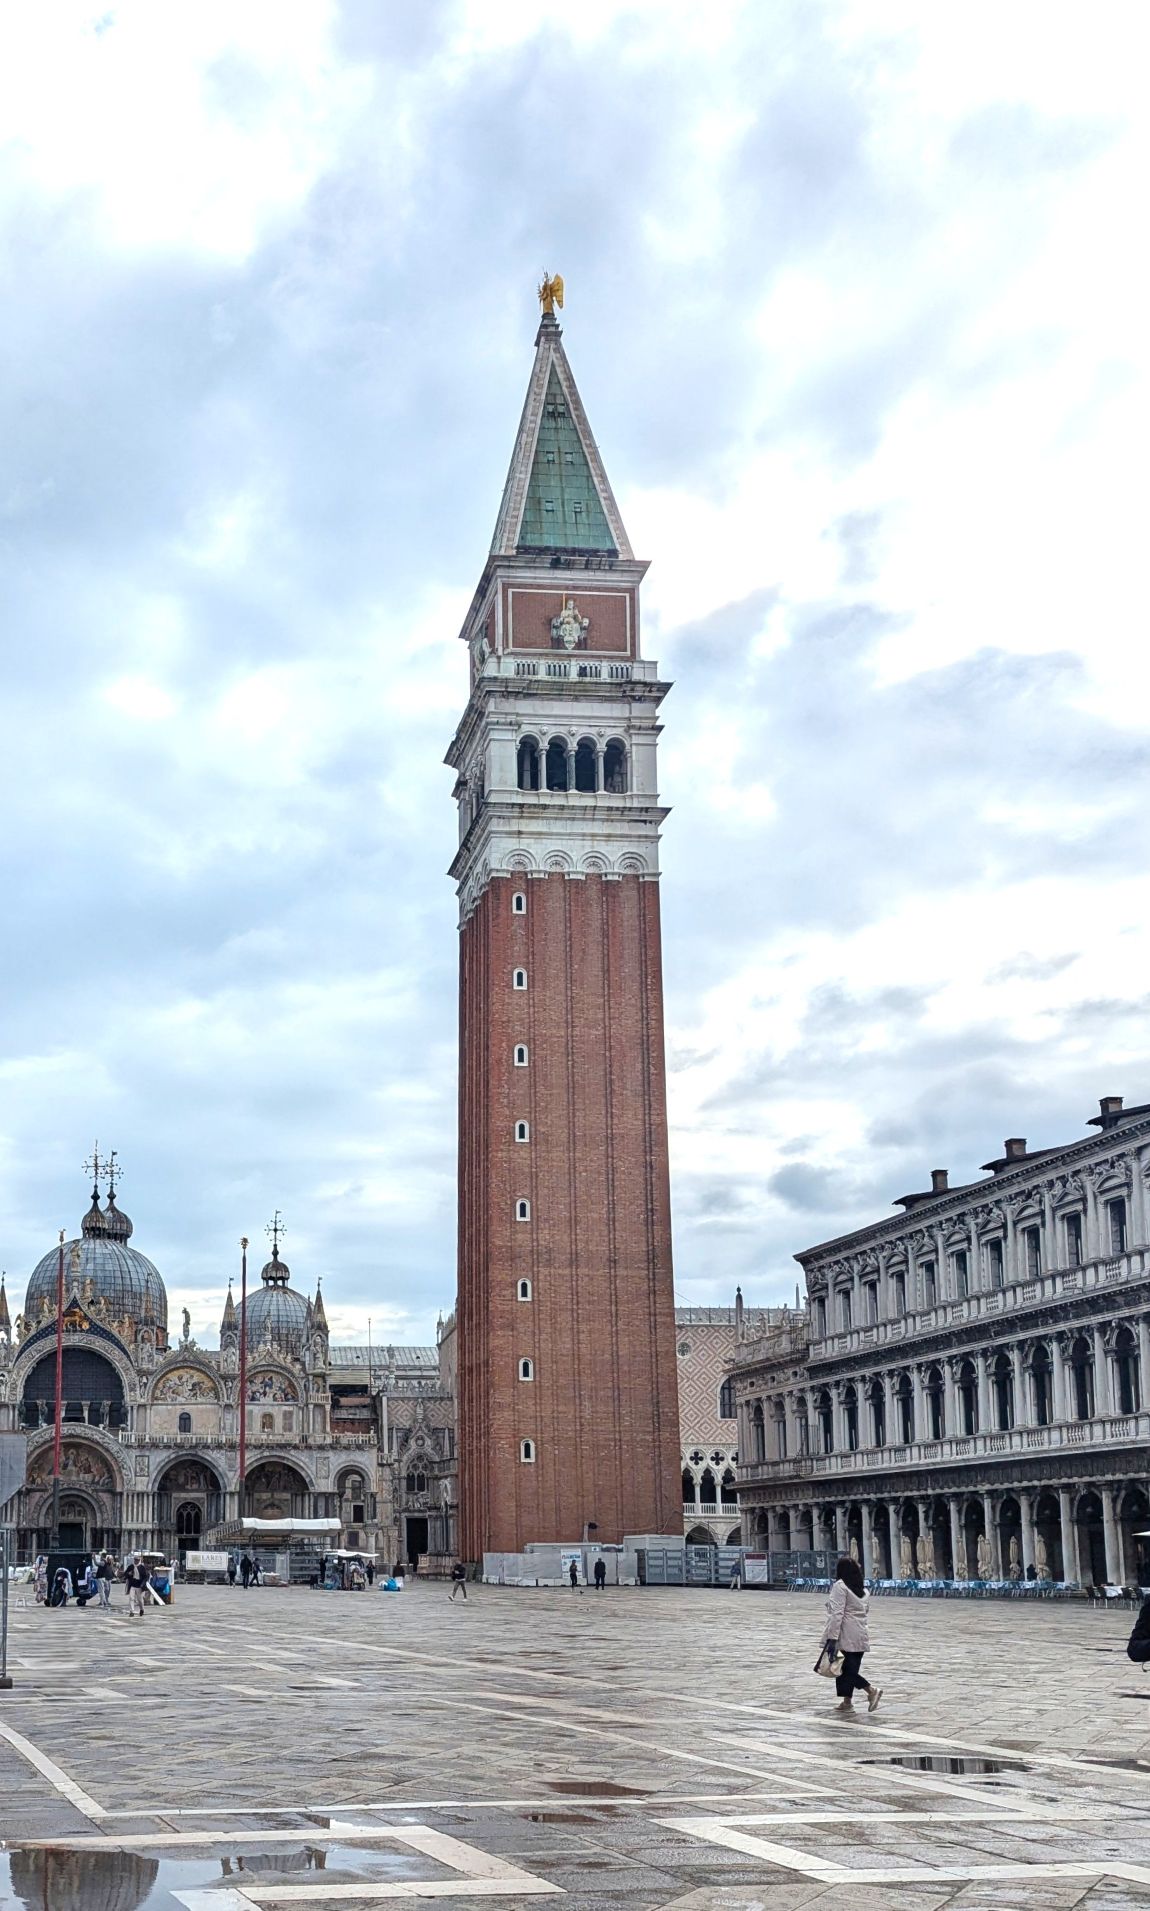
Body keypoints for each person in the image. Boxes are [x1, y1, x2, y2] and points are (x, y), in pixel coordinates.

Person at [823, 1555, 881, 1714]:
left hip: (845, 1633)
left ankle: (871, 1690)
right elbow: (865, 1611)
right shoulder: (863, 1590)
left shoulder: (840, 1586)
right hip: (860, 1633)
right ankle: (847, 1702)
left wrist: (832, 1638)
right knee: (847, 1666)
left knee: (844, 1669)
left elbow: (837, 1614)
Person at [125, 1554, 150, 1619]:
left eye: (137, 1560)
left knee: (140, 1600)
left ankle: (142, 1609)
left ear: (139, 1560)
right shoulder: (131, 1566)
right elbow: (126, 1574)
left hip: (139, 1585)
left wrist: (142, 1584)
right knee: (131, 1598)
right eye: (135, 1560)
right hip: (132, 1585)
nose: (136, 1561)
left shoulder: (142, 1567)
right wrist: (129, 1574)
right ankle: (131, 1611)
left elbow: (145, 1577)